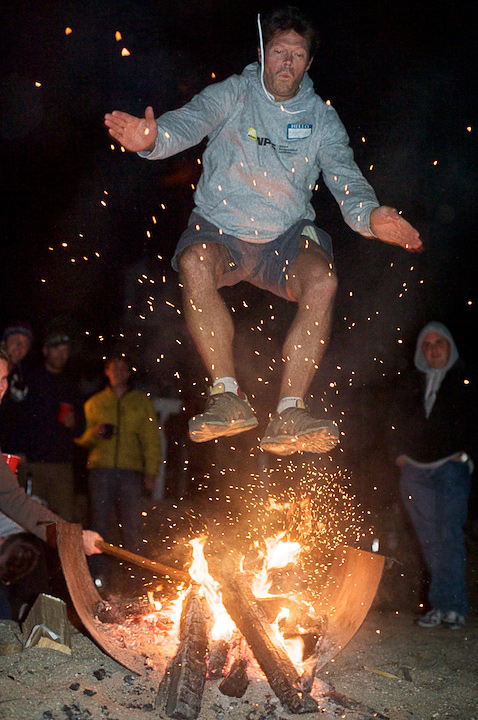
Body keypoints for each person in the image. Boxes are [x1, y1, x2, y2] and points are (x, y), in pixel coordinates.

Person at [105, 5, 422, 456]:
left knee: (324, 279)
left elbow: (345, 180)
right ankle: (228, 398)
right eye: (279, 52)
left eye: (297, 54)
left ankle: (290, 411)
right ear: (262, 52)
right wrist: (152, 140)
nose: (287, 63)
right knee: (194, 262)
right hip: (222, 226)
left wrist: (370, 217)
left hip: (286, 236)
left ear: (309, 63)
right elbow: (186, 122)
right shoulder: (234, 94)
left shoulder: (320, 118)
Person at [0, 347, 103, 618]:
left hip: (52, 468)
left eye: (3, 379)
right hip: (34, 466)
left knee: (25, 535)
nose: (1, 387)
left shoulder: (68, 387)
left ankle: (27, 609)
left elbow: (14, 501)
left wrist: (73, 536)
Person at [389, 322, 477, 630]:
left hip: (449, 467)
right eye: (427, 344)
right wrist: (398, 453)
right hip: (414, 470)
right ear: (421, 351)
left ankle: (455, 607)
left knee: (448, 534)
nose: (433, 348)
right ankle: (439, 606)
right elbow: (393, 419)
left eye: (440, 342)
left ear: (450, 346)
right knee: (428, 539)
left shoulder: (465, 380)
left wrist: (467, 454)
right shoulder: (411, 383)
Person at [76, 354, 161, 575]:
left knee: (132, 527)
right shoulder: (94, 402)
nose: (118, 372)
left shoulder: (141, 402)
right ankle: (97, 578)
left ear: (129, 372)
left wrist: (151, 471)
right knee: (99, 525)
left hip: (130, 473)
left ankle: (135, 578)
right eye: (114, 368)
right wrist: (94, 434)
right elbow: (81, 439)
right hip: (101, 471)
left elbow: (152, 439)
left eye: (123, 368)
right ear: (107, 371)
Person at [21, 333, 85, 521]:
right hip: (32, 462)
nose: (61, 355)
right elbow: (16, 419)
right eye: (57, 350)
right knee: (28, 519)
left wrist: (74, 424)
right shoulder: (30, 380)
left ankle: (59, 552)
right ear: (45, 351)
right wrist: (20, 451)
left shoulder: (71, 386)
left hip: (61, 466)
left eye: (65, 351)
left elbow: (81, 428)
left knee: (63, 522)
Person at [0, 322, 33, 457]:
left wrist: (21, 449)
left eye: (25, 343)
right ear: (3, 343)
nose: (19, 347)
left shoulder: (25, 377)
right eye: (15, 341)